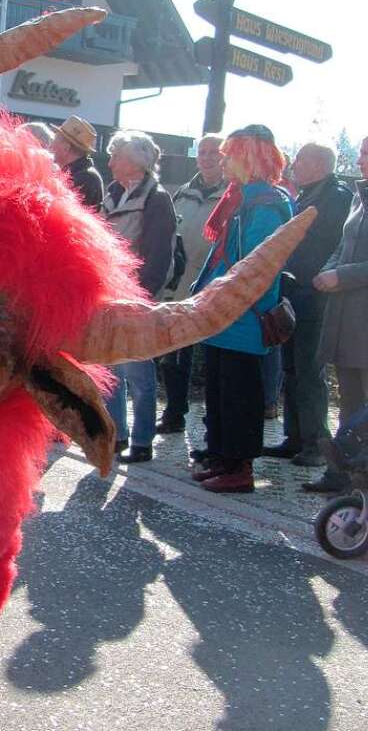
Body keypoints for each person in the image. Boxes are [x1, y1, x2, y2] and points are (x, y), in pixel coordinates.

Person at [192, 124, 293, 494]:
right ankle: (221, 458)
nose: (224, 160)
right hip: (223, 313)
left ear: (249, 157)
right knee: (220, 391)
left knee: (239, 394)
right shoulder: (240, 199)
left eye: (232, 153)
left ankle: (239, 467)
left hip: (243, 317)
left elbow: (258, 265)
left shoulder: (265, 204)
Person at [261, 143, 351, 467]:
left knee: (310, 369)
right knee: (292, 368)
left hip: (314, 294)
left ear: (317, 164)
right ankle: (295, 437)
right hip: (294, 290)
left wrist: (314, 276)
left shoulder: (337, 196)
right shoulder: (306, 194)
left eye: (299, 159)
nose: (294, 165)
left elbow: (332, 242)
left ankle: (315, 442)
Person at [308, 132, 368, 492]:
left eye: (366, 153)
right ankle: (341, 474)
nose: (359, 159)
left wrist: (343, 275)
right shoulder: (362, 197)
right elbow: (343, 245)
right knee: (350, 403)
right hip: (346, 318)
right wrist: (328, 268)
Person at [101, 131, 176, 463]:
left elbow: (160, 255)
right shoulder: (112, 193)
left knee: (139, 373)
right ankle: (115, 434)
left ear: (135, 162)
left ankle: (142, 441)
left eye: (116, 155)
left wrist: (140, 296)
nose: (111, 161)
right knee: (110, 370)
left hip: (136, 297)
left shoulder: (157, 198)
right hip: (109, 294)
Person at [157, 135, 226, 433]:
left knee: (213, 362)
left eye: (215, 152)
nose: (208, 158)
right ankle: (174, 412)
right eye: (203, 152)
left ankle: (213, 424)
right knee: (173, 355)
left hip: (212, 287)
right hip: (179, 286)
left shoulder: (232, 194)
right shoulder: (183, 193)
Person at [50, 115, 104, 211]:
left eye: (55, 141)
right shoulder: (79, 174)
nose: (51, 146)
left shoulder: (85, 178)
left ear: (66, 148)